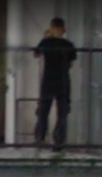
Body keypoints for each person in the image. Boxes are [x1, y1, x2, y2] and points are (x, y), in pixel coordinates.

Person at [33, 18, 77, 151]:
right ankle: (58, 141)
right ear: (63, 30)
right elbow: (71, 63)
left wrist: (46, 37)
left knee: (43, 110)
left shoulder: (46, 42)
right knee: (62, 112)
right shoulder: (68, 44)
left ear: (51, 28)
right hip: (63, 79)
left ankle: (40, 138)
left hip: (48, 79)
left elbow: (36, 54)